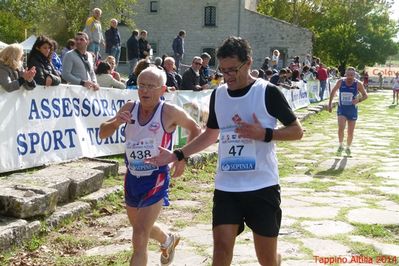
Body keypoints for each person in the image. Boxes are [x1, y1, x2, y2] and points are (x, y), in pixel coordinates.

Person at [146, 36, 303, 266]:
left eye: (232, 70)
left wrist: (266, 134)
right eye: (223, 70)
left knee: (267, 259)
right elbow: (211, 134)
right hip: (227, 186)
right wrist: (178, 154)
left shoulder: (267, 92)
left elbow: (297, 131)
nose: (227, 76)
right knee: (220, 248)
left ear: (248, 63)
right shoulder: (219, 94)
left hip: (262, 186)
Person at [98, 66, 201, 266]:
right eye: (141, 85)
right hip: (132, 176)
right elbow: (103, 132)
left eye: (150, 87)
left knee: (139, 234)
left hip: (156, 177)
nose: (144, 91)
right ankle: (167, 240)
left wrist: (182, 157)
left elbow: (195, 129)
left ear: (162, 90)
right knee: (139, 225)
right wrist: (116, 123)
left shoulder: (170, 112)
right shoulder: (129, 107)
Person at [328, 67, 368, 156]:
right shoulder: (340, 82)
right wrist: (330, 104)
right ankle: (340, 145)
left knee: (350, 131)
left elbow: (365, 95)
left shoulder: (358, 84)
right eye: (348, 75)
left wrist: (358, 100)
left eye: (352, 75)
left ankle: (348, 147)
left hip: (352, 110)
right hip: (342, 109)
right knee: (341, 128)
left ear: (355, 75)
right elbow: (333, 92)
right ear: (345, 74)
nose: (350, 77)